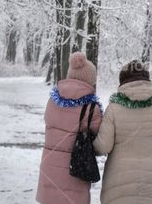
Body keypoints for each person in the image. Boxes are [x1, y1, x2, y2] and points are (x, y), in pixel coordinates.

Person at [94, 60, 152, 203]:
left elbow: (103, 147)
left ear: (122, 81)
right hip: (150, 182)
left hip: (118, 183)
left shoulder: (113, 109)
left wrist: (89, 142)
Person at [36, 51, 102, 204]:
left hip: (49, 167)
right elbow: (99, 141)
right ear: (90, 79)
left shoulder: (52, 101)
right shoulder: (92, 108)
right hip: (75, 170)